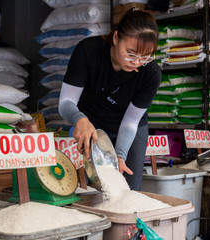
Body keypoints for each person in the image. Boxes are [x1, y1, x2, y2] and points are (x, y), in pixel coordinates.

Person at [58, 7, 161, 191]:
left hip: (130, 130)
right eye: (130, 53)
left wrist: (120, 156)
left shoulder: (151, 73)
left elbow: (131, 121)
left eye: (144, 57)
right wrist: (79, 119)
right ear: (115, 38)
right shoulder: (88, 52)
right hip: (90, 125)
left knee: (128, 192)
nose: (136, 62)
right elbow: (66, 103)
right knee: (85, 189)